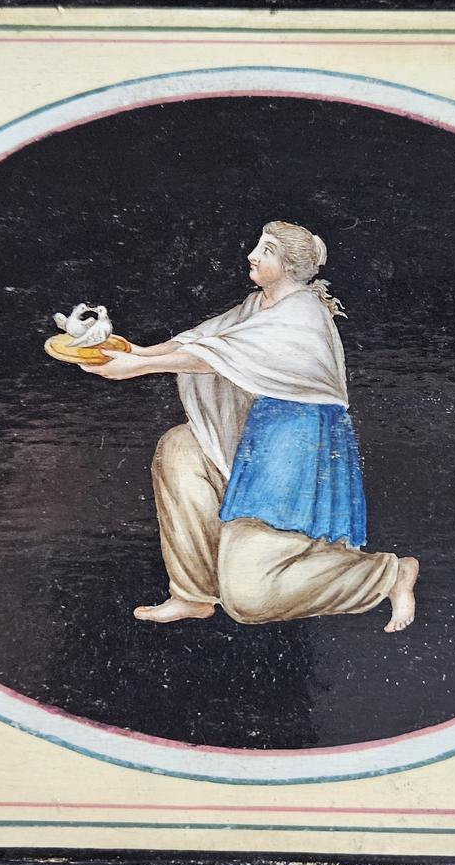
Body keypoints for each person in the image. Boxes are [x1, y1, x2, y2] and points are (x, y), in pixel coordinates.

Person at [79, 220, 419, 632]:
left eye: (267, 250)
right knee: (180, 448)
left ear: (289, 266)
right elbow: (201, 339)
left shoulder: (301, 312)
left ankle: (387, 574)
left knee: (249, 599)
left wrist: (138, 367)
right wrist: (135, 351)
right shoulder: (257, 304)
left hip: (293, 453)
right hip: (257, 438)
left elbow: (222, 354)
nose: (252, 255)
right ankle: (194, 593)